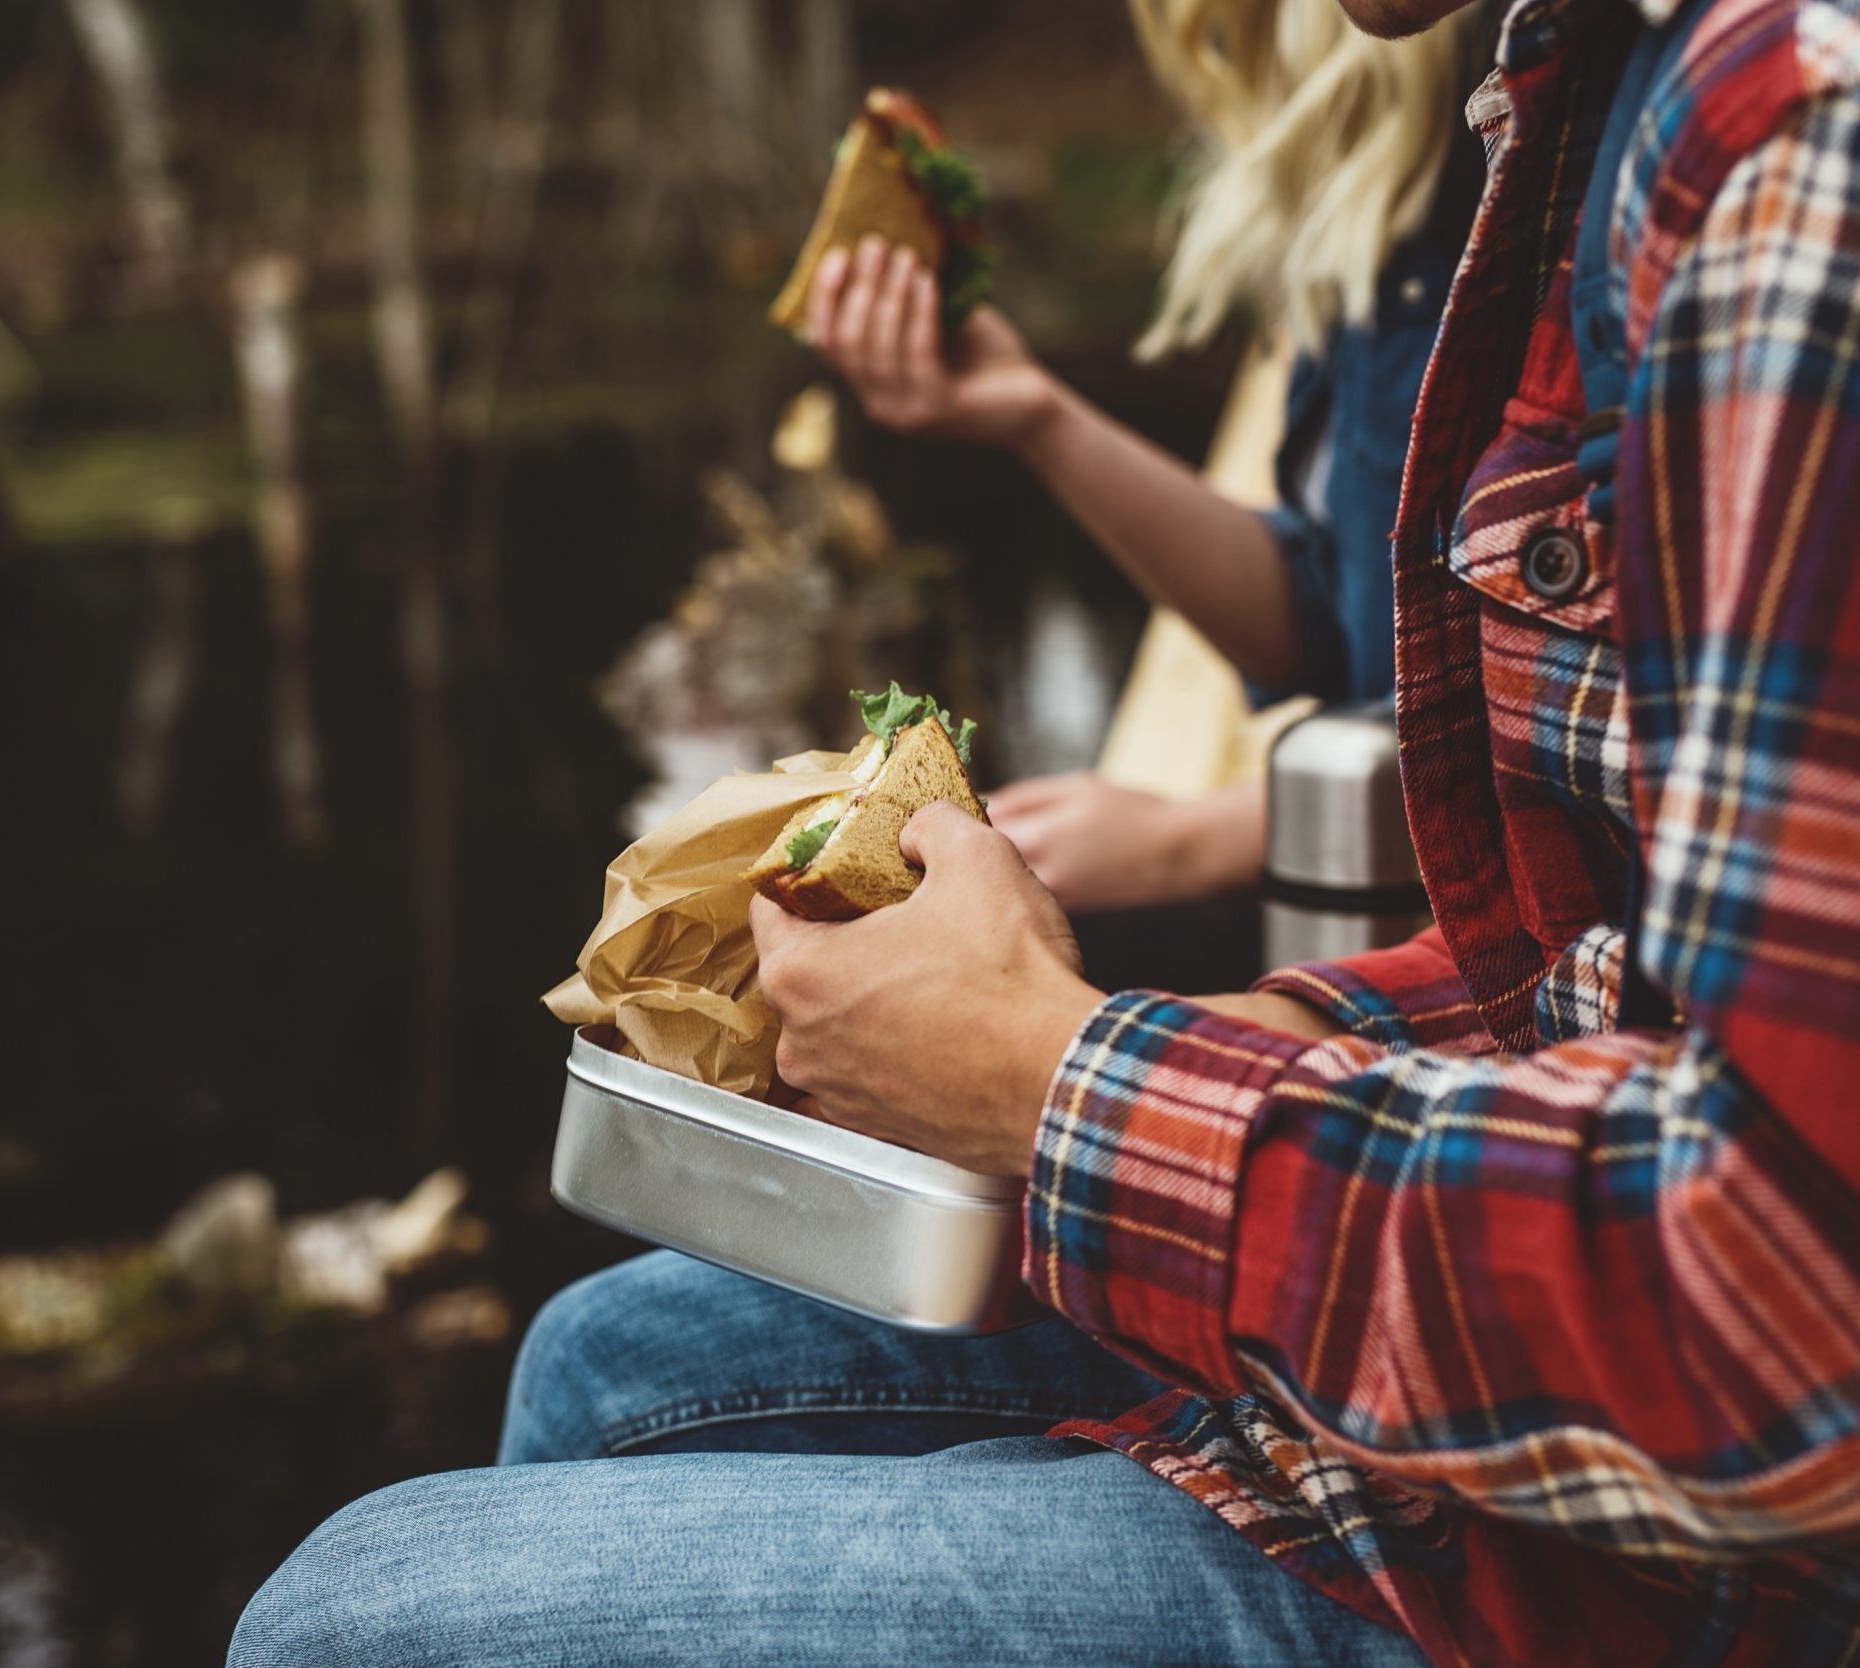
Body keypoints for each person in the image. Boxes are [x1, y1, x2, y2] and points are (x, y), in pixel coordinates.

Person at [229, 0, 1860, 1656]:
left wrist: (1056, 1077)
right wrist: (1181, 1038)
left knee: (348, 1616)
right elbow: (1600, 956)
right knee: (607, 1361)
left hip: (1675, 1572)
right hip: (1544, 1353)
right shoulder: (1573, 94)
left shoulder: (1783, 149)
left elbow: (1780, 1313)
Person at [817, 0, 1483, 925]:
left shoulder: (1529, 193)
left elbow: (1588, 723)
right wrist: (1035, 416)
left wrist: (1203, 837)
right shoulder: (1371, 217)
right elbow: (1336, 622)